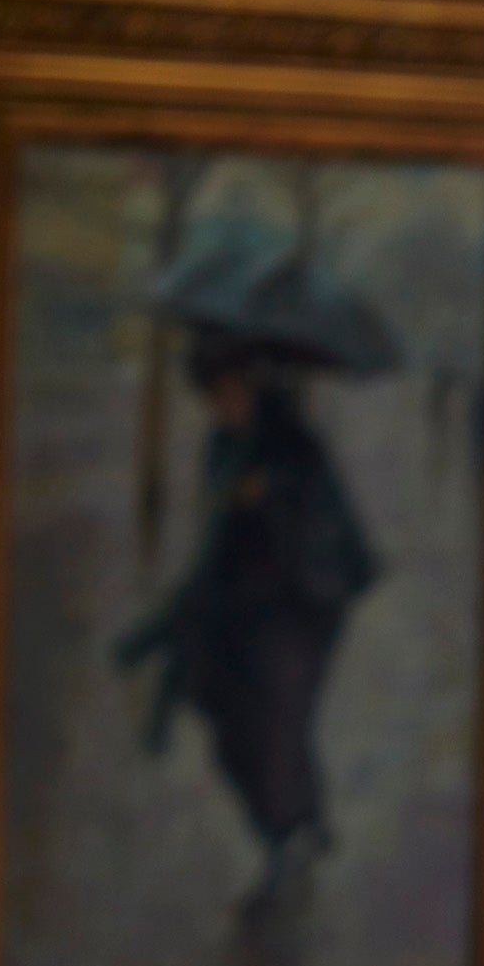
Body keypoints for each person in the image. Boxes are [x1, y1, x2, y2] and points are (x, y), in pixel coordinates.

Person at [118, 298, 385, 916]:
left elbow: (326, 532)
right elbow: (214, 534)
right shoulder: (222, 445)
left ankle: (284, 839)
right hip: (241, 607)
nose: (223, 406)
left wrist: (275, 496)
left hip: (302, 606)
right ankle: (302, 816)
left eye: (231, 392)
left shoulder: (295, 443)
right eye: (214, 396)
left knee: (278, 723)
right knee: (230, 725)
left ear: (253, 386)